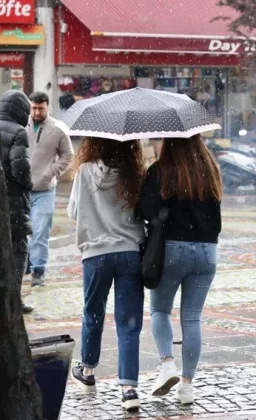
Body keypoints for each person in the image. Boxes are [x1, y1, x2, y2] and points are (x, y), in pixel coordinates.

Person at [140, 135, 222, 405]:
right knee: (192, 319)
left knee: (160, 311)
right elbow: (216, 218)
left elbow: (145, 210)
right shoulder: (210, 168)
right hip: (207, 252)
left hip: (173, 249)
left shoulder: (161, 170)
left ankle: (167, 366)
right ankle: (187, 386)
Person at [67, 137, 146, 411]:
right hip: (129, 252)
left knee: (94, 313)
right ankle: (129, 389)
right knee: (129, 322)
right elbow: (144, 213)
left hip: (95, 255)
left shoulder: (84, 171)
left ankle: (87, 371)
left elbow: (74, 211)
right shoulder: (135, 174)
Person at [27, 91, 74, 287]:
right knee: (22, 231)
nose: (37, 112)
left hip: (45, 190)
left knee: (40, 231)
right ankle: (26, 262)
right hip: (22, 189)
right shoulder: (21, 125)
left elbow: (68, 155)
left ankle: (39, 270)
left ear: (47, 107)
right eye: (34, 108)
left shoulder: (58, 129)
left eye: (41, 108)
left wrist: (51, 172)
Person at [0, 91, 34, 314]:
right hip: (12, 200)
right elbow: (19, 166)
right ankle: (13, 301)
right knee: (18, 249)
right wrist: (27, 184)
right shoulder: (18, 131)